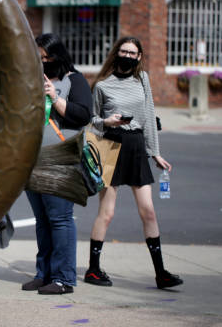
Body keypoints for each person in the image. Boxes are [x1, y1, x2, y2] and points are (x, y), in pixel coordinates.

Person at [84, 36, 182, 290]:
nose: (127, 56)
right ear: (116, 53)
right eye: (123, 51)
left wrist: (155, 152)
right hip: (111, 145)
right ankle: (93, 270)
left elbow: (149, 115)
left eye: (132, 53)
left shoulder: (143, 80)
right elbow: (92, 120)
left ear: (139, 57)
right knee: (106, 213)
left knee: (148, 211)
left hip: (137, 145)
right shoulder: (103, 85)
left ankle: (161, 273)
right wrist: (108, 122)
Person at [21, 33, 92, 295]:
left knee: (60, 219)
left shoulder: (75, 80)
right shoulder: (32, 79)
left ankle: (64, 278)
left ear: (57, 55)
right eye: (38, 57)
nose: (42, 62)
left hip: (61, 158)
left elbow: (84, 115)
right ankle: (44, 273)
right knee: (42, 220)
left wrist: (55, 97)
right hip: (33, 158)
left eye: (46, 57)